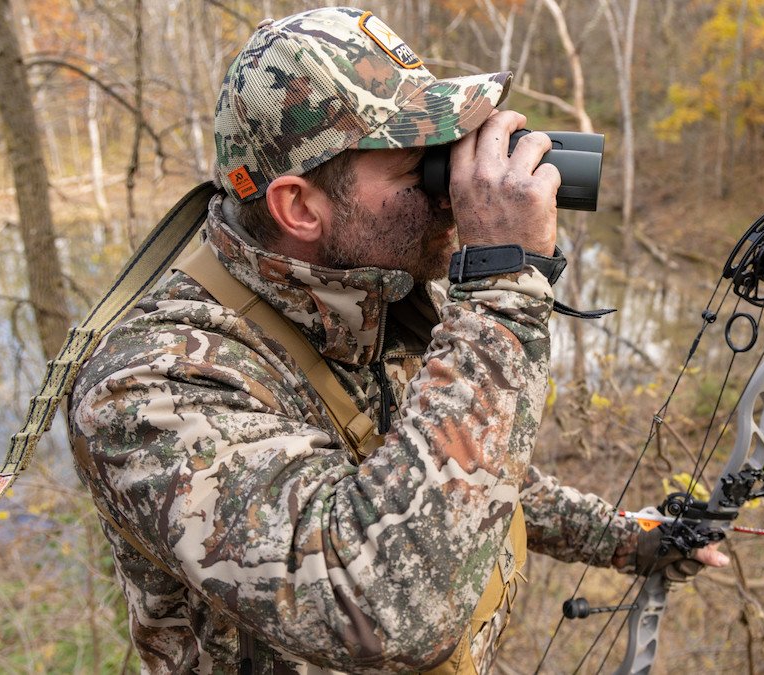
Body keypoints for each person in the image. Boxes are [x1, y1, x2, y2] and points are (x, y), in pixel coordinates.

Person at [69, 7, 726, 673]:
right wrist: (502, 282)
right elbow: (383, 604)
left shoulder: (374, 292)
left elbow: (444, 466)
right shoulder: (151, 384)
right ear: (300, 207)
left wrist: (626, 539)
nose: (454, 192)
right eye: (423, 167)